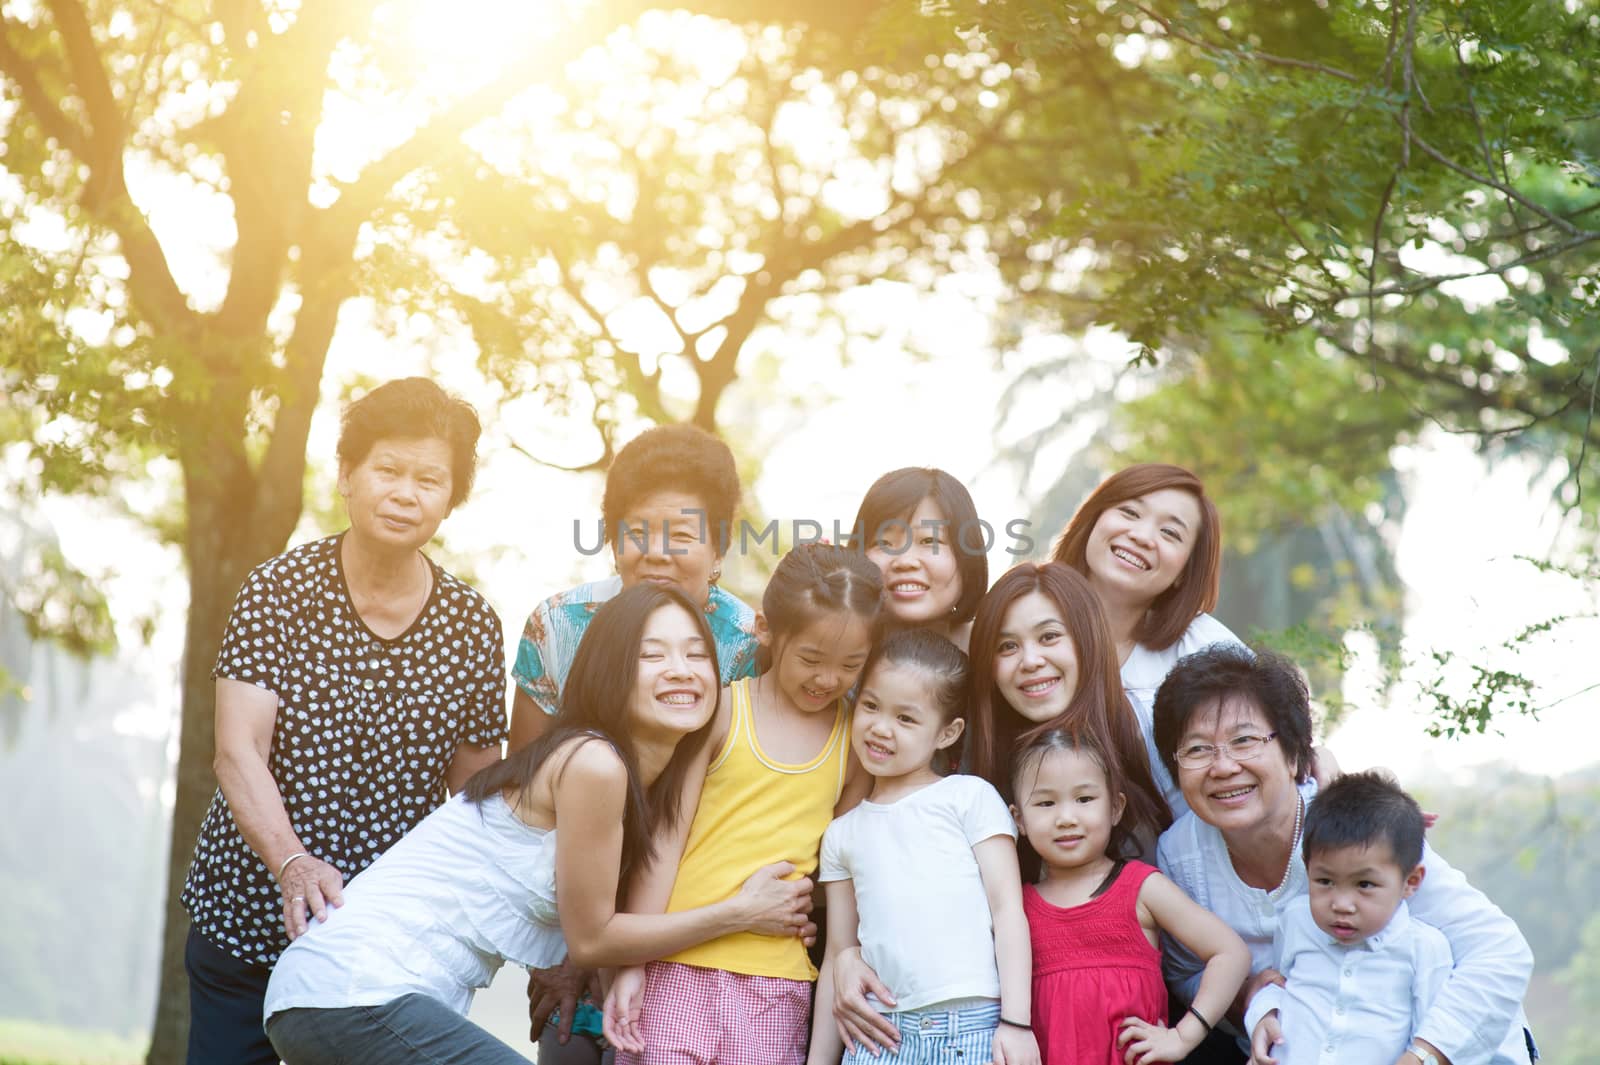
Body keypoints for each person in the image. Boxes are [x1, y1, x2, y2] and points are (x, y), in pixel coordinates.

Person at [263, 584, 815, 1064]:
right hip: (352, 991)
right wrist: (740, 913)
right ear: (611, 670)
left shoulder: (631, 781)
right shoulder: (594, 764)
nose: (682, 670)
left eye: (698, 654)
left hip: (353, 999)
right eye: (653, 655)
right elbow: (594, 937)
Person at [179, 378, 507, 1065]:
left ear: (451, 498)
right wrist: (293, 863)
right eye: (388, 469)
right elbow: (239, 752)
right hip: (250, 922)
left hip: (378, 952)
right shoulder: (278, 590)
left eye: (429, 479)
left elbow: (478, 792)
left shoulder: (472, 625)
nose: (406, 492)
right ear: (348, 474)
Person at [508, 422, 763, 1060]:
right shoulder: (558, 627)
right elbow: (524, 791)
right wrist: (561, 948)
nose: (656, 553)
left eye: (681, 536)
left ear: (720, 546)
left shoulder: (748, 647)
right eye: (636, 532)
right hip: (572, 909)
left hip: (693, 912)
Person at [1152, 645, 1536, 1065]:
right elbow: (1186, 971)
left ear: (1295, 752)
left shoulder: (1361, 828)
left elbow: (1500, 952)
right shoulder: (1180, 855)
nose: (1223, 767)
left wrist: (1424, 1055)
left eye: (1244, 741)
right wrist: (1244, 995)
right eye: (1197, 749)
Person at [604, 544, 883, 1065]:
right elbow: (666, 841)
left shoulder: (854, 744)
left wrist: (809, 913)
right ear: (765, 629)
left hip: (776, 984)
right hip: (677, 966)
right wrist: (631, 963)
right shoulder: (724, 712)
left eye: (851, 665)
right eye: (811, 659)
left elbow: (838, 867)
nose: (828, 679)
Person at [806, 630, 1039, 1065]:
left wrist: (1017, 1023)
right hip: (880, 1035)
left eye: (906, 719)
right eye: (871, 706)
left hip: (969, 1029)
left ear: (947, 733)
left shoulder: (969, 797)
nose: (880, 727)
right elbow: (840, 951)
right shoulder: (842, 833)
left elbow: (1008, 911)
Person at [1012, 728, 1249, 1065]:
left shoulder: (1140, 887)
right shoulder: (1017, 909)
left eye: (1084, 799)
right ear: (1019, 819)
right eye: (1046, 803)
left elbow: (1231, 953)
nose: (1066, 818)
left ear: (1115, 807)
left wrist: (1184, 1036)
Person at [1051, 463, 1240, 811]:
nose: (1141, 535)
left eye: (1170, 533)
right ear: (1093, 520)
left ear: (1185, 571)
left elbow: (1268, 746)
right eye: (1129, 512)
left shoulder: (1203, 647)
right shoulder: (1026, 622)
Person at [1245, 772, 1455, 1065]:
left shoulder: (1424, 948)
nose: (1342, 905)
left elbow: (1433, 1035)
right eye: (1325, 881)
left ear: (1411, 881)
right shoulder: (1297, 921)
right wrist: (1263, 1015)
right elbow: (1280, 988)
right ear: (1307, 869)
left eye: (1364, 885)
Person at [967, 562, 1170, 858]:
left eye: (1049, 637)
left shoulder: (1149, 737)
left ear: (1088, 640)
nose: (1030, 661)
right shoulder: (971, 765)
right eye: (1008, 646)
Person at [851, 467, 989, 651]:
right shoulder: (827, 652)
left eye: (929, 540)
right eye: (884, 542)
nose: (905, 561)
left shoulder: (999, 653)